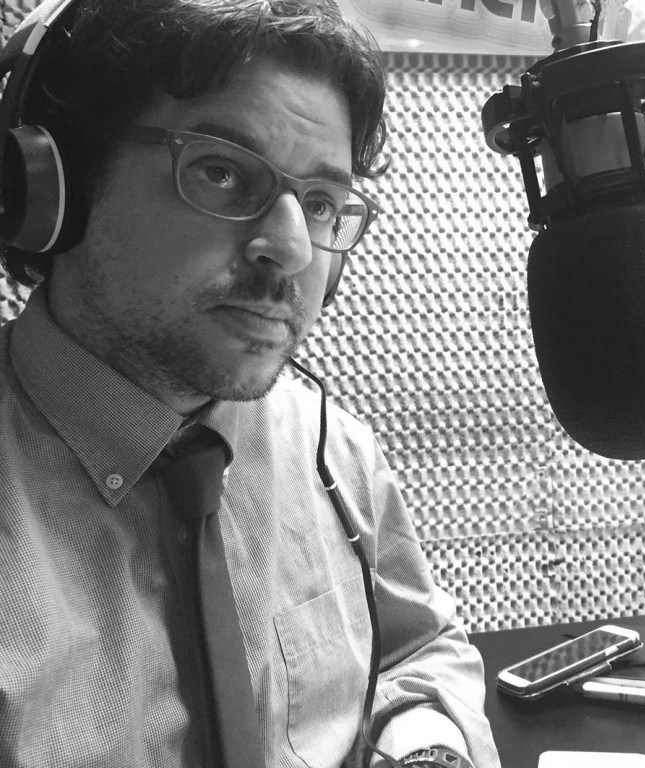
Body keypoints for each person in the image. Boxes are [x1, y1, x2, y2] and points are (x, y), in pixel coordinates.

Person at [0, 1, 499, 767]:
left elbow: (412, 649)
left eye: (322, 202)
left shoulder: (332, 449)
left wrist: (427, 749)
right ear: (52, 187)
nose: (292, 250)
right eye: (222, 172)